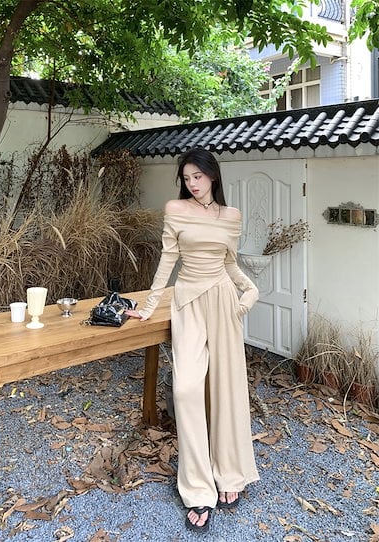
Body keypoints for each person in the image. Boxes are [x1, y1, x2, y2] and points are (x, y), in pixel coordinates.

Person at [125, 147, 260, 533]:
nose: (192, 183)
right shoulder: (176, 209)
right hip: (187, 302)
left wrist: (250, 290)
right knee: (186, 390)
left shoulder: (231, 216)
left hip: (223, 301)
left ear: (212, 175)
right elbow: (167, 261)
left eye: (197, 177)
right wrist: (149, 306)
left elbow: (229, 262)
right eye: (186, 178)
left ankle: (230, 472)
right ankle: (198, 487)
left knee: (226, 388)